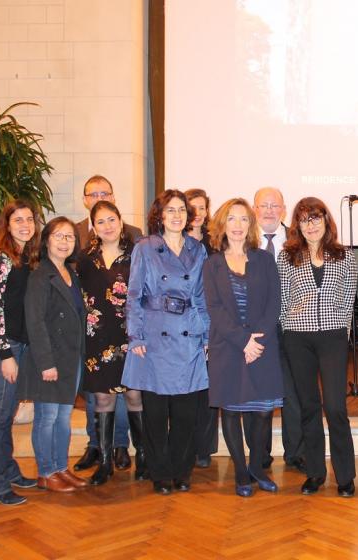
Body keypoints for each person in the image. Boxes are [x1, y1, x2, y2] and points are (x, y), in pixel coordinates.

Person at [121, 190, 210, 495]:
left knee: (186, 412)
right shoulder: (145, 248)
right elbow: (133, 294)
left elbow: (200, 296)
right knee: (156, 412)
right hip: (154, 335)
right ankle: (159, 472)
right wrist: (136, 336)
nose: (176, 215)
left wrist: (206, 334)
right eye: (170, 210)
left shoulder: (197, 250)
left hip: (187, 333)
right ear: (159, 215)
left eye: (181, 210)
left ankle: (181, 470)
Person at [203, 198, 283, 497]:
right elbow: (215, 309)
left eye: (244, 219)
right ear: (223, 225)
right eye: (232, 219)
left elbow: (273, 302)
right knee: (232, 411)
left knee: (263, 411)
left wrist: (256, 340)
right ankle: (240, 471)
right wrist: (243, 341)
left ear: (251, 225)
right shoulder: (212, 264)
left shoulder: (264, 259)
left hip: (262, 346)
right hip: (229, 347)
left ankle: (257, 467)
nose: (238, 226)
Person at [279, 197, 357, 497]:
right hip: (298, 338)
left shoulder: (346, 257)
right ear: (297, 225)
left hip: (333, 338)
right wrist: (288, 330)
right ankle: (315, 472)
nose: (311, 225)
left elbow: (349, 298)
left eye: (316, 218)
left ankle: (345, 476)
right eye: (304, 219)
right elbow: (283, 302)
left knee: (336, 407)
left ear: (326, 221)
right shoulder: (286, 258)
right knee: (308, 406)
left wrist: (342, 331)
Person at [73, 174, 143, 473]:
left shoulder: (137, 252)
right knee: (102, 400)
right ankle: (104, 463)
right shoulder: (85, 258)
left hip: (131, 337)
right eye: (100, 222)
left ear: (119, 219)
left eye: (111, 220)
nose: (107, 226)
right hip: (97, 340)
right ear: (93, 226)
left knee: (134, 395)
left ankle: (144, 460)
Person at [18, 217, 89, 493]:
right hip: (49, 359)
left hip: (71, 358)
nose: (64, 242)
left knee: (63, 417)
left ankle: (61, 468)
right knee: (46, 417)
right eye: (59, 236)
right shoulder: (40, 276)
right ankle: (46, 472)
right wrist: (46, 363)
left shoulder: (72, 275)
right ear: (47, 239)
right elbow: (34, 322)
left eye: (70, 237)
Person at [0, 201, 41, 505]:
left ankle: (8, 470)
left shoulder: (26, 257)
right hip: (3, 346)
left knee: (7, 413)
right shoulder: (0, 258)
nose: (25, 224)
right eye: (18, 220)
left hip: (18, 343)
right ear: (7, 224)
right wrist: (5, 354)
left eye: (29, 219)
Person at [253, 186, 305, 473]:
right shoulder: (243, 240)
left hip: (292, 327)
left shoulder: (299, 240)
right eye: (264, 205)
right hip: (257, 329)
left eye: (275, 206)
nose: (270, 210)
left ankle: (295, 452)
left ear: (284, 210)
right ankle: (260, 454)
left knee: (293, 391)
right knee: (259, 392)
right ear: (254, 209)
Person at [185, 188, 220, 470]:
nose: (198, 213)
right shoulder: (174, 242)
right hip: (182, 325)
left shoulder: (215, 243)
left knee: (209, 386)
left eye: (202, 207)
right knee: (187, 388)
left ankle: (205, 448)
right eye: (192, 207)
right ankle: (186, 444)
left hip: (212, 323)